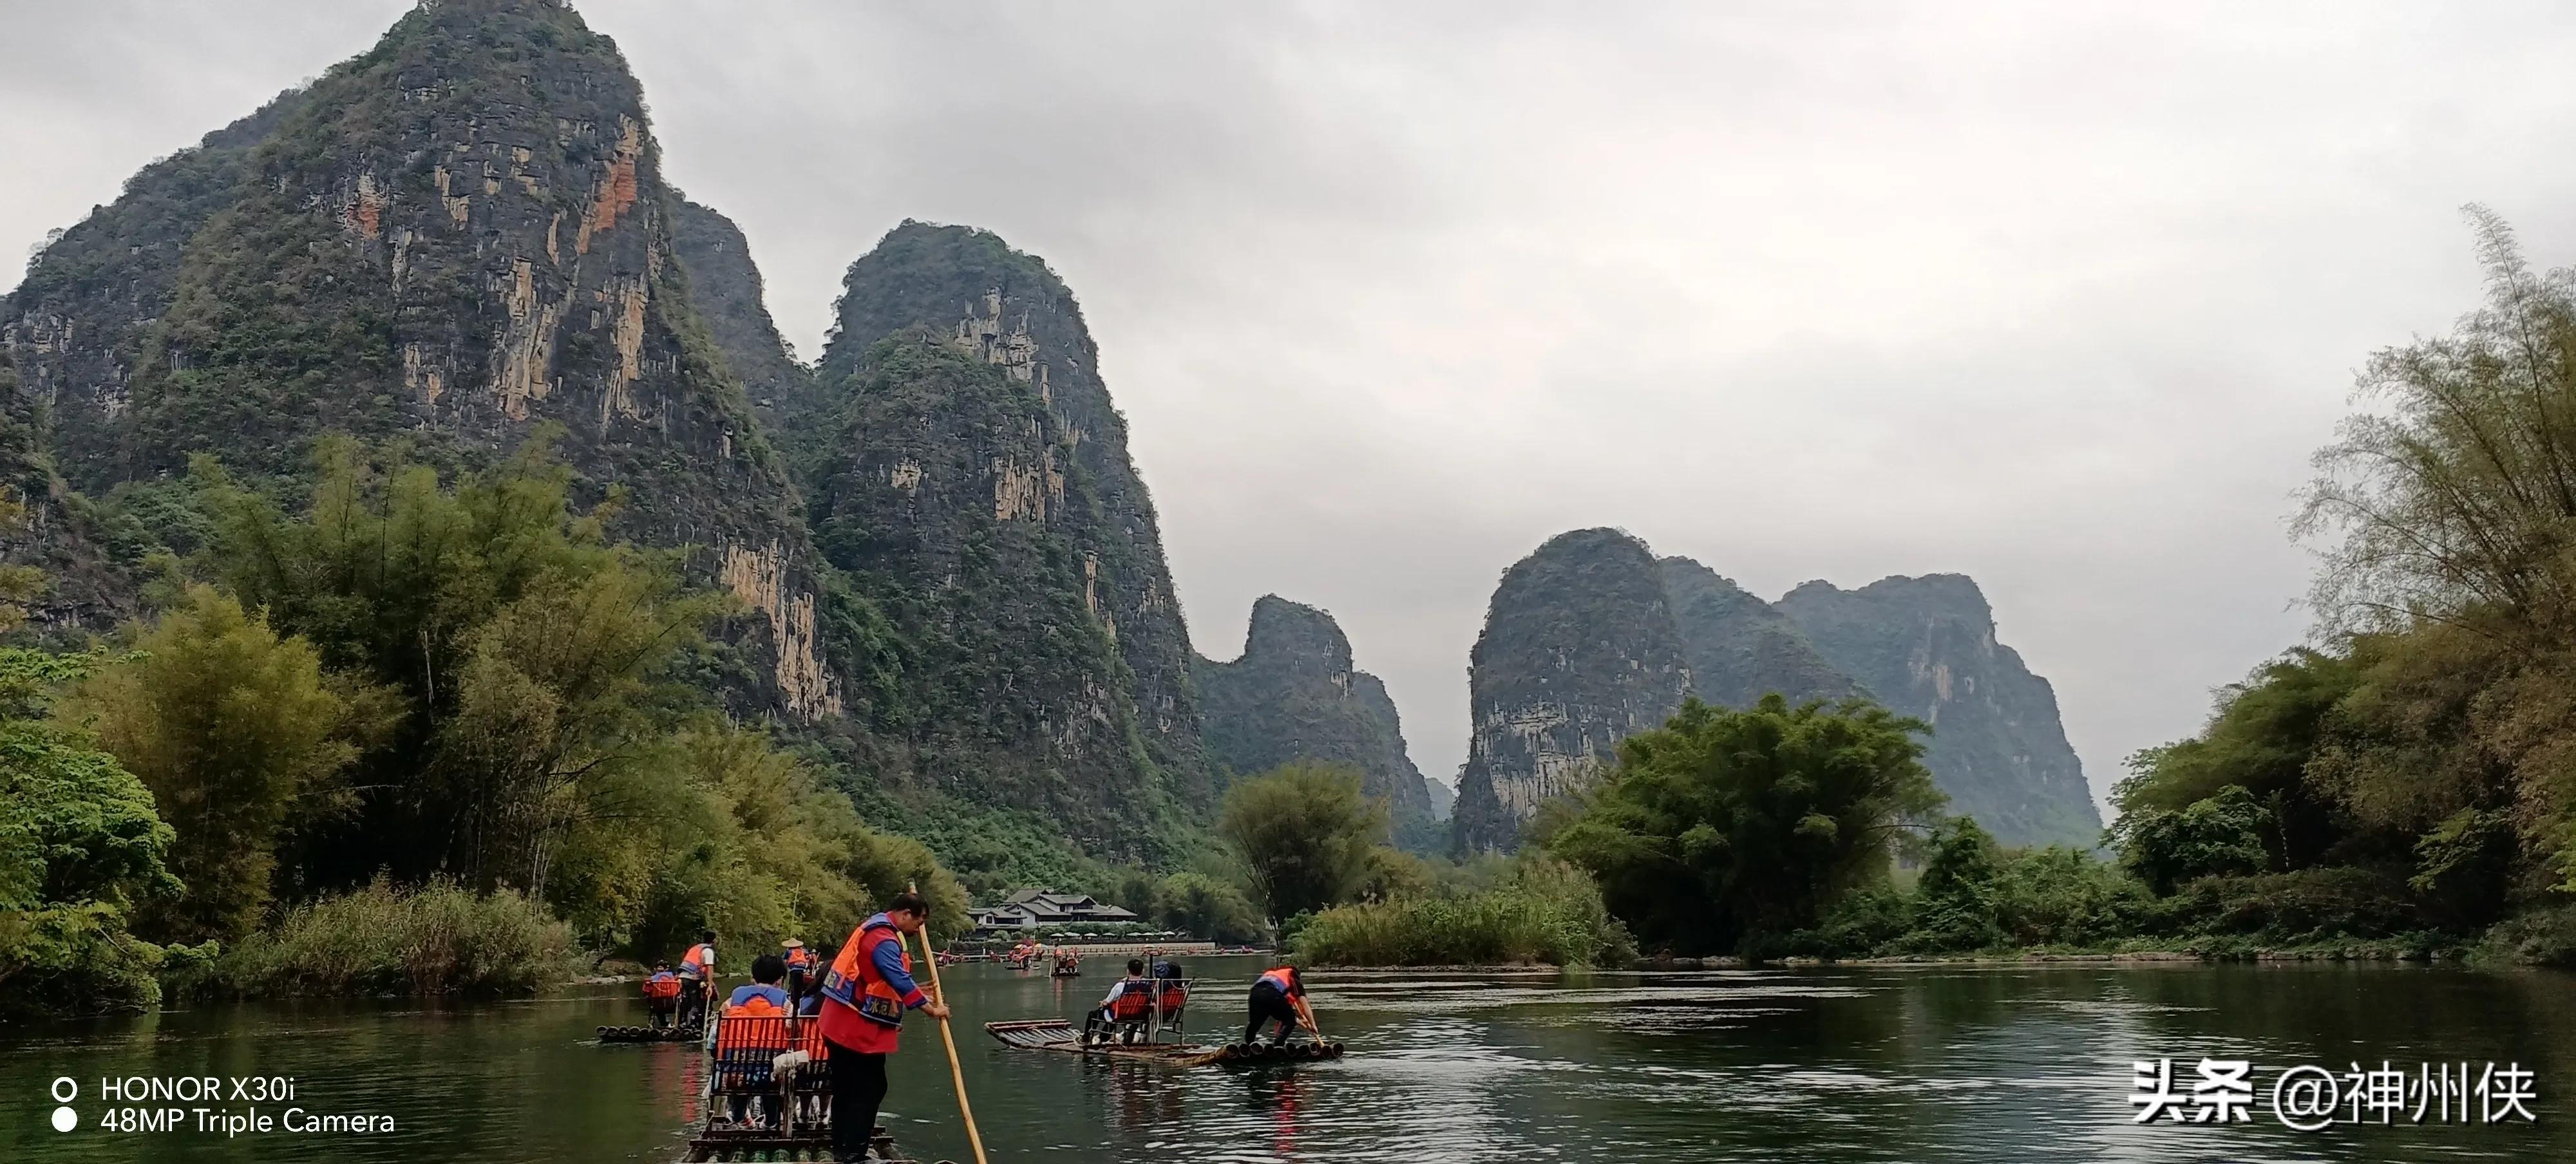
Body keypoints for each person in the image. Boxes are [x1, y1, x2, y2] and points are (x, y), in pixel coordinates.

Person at [816, 892, 950, 1164]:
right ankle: (854, 1155)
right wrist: (931, 1010)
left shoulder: (875, 927)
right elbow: (897, 977)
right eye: (919, 922)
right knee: (870, 1088)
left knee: (846, 1087)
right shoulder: (884, 939)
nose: (919, 929)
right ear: (905, 915)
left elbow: (880, 979)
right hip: (854, 1028)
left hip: (838, 1020)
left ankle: (843, 1150)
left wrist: (916, 991)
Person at [715, 955, 794, 1127]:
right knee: (774, 1080)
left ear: (753, 978)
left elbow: (716, 1035)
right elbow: (794, 1034)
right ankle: (770, 1121)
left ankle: (738, 1115)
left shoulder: (730, 1003)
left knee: (738, 1082)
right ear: (780, 980)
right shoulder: (787, 1006)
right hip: (772, 1075)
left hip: (735, 1074)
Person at [1083, 958, 1153, 1045]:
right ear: (1143, 971)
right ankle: (1103, 1037)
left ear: (1128, 971)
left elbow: (1108, 1001)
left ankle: (1087, 1037)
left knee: (1094, 1014)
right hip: (1138, 1015)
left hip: (1120, 1015)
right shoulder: (1149, 984)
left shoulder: (1120, 986)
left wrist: (1102, 1003)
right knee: (1111, 1013)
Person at [1244, 963, 1316, 1047]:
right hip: (1272, 994)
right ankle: (1278, 1045)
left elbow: (1284, 1014)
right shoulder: (1292, 977)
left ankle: (1248, 1046)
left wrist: (1305, 1025)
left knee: (1255, 1023)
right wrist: (1313, 1025)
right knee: (1290, 1019)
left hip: (1255, 994)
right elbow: (1305, 1004)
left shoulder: (1273, 974)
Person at [677, 929, 718, 1029]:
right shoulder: (708, 950)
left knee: (686, 1001)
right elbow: (709, 968)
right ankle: (693, 1025)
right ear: (714, 941)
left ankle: (682, 1023)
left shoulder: (695, 948)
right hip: (693, 978)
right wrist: (709, 985)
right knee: (696, 1002)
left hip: (683, 976)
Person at [642, 961, 683, 1029]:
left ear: (655, 969)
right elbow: (679, 990)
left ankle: (662, 1024)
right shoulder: (673, 979)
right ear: (666, 969)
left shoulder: (652, 979)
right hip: (672, 1004)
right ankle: (674, 1024)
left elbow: (646, 991)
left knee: (654, 1005)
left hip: (657, 1005)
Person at [782, 939, 814, 1011]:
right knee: (799, 988)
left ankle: (793, 1003)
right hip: (801, 971)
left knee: (793, 987)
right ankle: (798, 1004)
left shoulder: (789, 952)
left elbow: (785, 961)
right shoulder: (802, 952)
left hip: (793, 971)